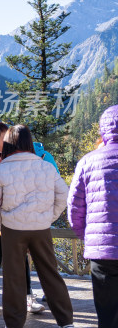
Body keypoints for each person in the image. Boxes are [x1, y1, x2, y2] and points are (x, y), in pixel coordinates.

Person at [0, 125, 73, 328]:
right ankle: (66, 322)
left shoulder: (2, 169)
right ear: (28, 141)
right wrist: (49, 217)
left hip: (12, 229)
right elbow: (64, 195)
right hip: (40, 228)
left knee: (13, 278)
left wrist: (0, 225)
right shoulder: (45, 166)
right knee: (50, 274)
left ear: (7, 143)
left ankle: (14, 323)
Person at [0, 122, 42, 316]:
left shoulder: (9, 155)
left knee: (21, 254)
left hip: (14, 210)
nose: (9, 139)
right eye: (5, 136)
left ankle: (28, 297)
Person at [68, 104, 118, 328]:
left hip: (102, 252)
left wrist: (87, 237)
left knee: (106, 316)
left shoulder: (87, 162)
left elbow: (75, 208)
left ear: (103, 130)